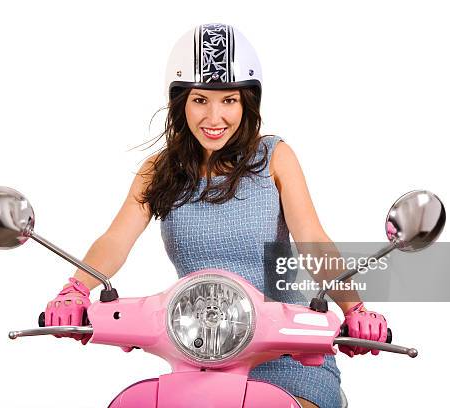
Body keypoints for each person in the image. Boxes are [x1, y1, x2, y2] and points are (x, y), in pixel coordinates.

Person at [44, 23, 388, 408]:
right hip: (200, 356)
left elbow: (312, 238)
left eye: (229, 100)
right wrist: (74, 289)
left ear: (247, 102)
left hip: (288, 351)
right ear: (180, 103)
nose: (215, 116)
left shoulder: (274, 158)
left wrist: (353, 307)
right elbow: (116, 239)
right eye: (200, 100)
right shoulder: (158, 171)